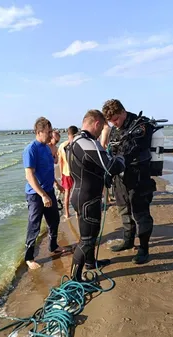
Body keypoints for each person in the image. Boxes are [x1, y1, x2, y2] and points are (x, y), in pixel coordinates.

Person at [68, 110, 125, 282]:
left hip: (81, 194)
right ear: (97, 124)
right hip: (87, 198)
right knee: (87, 239)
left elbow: (92, 167)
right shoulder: (87, 143)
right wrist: (121, 158)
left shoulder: (75, 141)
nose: (101, 132)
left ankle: (91, 263)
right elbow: (112, 166)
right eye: (102, 129)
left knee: (90, 235)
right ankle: (75, 279)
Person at [102, 99, 157, 264]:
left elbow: (129, 151)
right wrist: (108, 171)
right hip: (120, 179)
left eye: (116, 119)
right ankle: (128, 240)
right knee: (123, 210)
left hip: (139, 177)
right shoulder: (114, 130)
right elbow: (111, 151)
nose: (114, 124)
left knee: (141, 214)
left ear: (123, 112)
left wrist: (112, 169)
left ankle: (144, 249)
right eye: (111, 122)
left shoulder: (141, 125)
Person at [23, 117, 67, 270]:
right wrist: (42, 195)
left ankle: (53, 246)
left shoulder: (46, 148)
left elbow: (48, 169)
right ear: (39, 132)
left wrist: (57, 184)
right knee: (34, 225)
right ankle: (29, 258)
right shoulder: (31, 149)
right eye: (48, 132)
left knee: (54, 219)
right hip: (36, 195)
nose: (51, 135)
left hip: (48, 191)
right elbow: (29, 176)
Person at [58, 125, 78, 219]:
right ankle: (77, 212)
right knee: (75, 193)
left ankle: (67, 213)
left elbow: (60, 162)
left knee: (67, 193)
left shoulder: (62, 145)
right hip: (75, 172)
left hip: (66, 173)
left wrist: (61, 174)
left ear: (68, 134)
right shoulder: (78, 144)